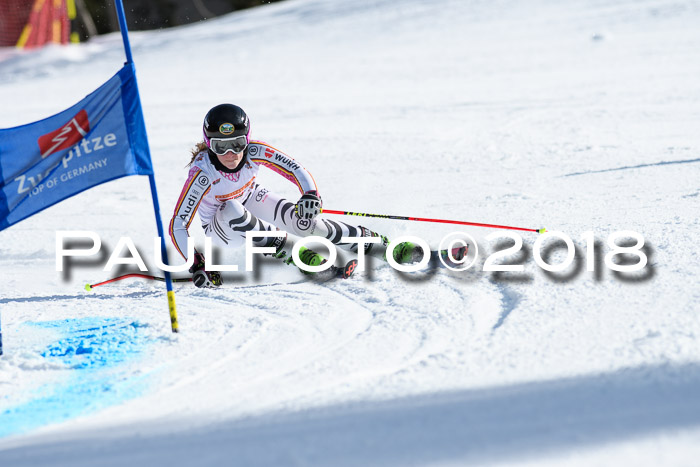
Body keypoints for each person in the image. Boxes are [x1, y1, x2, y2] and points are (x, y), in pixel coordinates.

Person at [169, 104, 422, 288]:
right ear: (209, 144)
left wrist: (309, 194)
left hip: (251, 198)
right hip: (221, 227)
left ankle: (385, 248)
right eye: (220, 146)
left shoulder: (255, 151)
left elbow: (294, 168)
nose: (231, 153)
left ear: (246, 140)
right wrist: (196, 261)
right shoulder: (203, 174)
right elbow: (177, 224)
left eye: (237, 144)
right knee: (233, 208)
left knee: (307, 223)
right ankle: (302, 259)